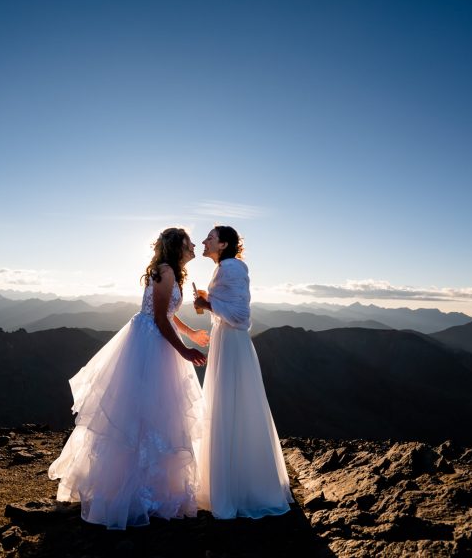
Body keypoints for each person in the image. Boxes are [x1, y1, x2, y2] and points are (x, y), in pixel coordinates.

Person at [48, 227, 210, 529]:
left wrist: (190, 333)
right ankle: (135, 493)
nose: (193, 248)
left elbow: (168, 312)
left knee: (154, 414)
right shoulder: (166, 271)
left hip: (153, 339)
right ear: (177, 247)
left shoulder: (169, 271)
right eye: (189, 244)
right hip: (150, 344)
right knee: (145, 414)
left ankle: (150, 489)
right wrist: (185, 351)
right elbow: (160, 318)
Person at [193, 225, 293, 519]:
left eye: (210, 237)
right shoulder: (225, 267)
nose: (204, 240)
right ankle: (234, 484)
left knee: (231, 406)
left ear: (223, 244)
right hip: (226, 342)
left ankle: (236, 488)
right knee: (229, 407)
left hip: (233, 345)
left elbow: (240, 316)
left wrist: (207, 303)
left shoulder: (231, 267)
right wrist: (209, 304)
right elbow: (230, 308)